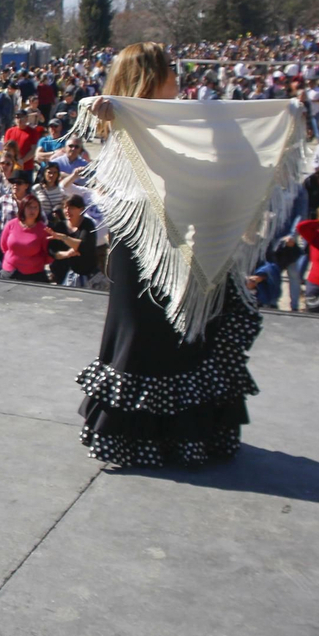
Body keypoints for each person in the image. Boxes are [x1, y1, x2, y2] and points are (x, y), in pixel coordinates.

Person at [76, 41, 269, 469]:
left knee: (187, 340)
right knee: (144, 339)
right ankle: (139, 439)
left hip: (184, 245)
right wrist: (112, 109)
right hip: (141, 248)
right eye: (168, 68)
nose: (177, 77)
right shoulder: (122, 118)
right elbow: (93, 108)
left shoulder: (187, 119)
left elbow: (228, 155)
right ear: (150, 76)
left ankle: (186, 437)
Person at [0, 193, 52, 283]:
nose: (33, 210)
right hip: (10, 272)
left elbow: (48, 254)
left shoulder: (43, 230)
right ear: (23, 209)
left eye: (35, 208)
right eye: (29, 207)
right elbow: (4, 246)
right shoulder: (11, 224)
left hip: (33, 275)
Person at [49, 194, 99, 286]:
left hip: (85, 276)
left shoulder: (88, 224)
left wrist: (64, 238)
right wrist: (67, 254)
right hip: (62, 276)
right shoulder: (60, 226)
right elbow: (53, 252)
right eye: (65, 207)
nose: (67, 211)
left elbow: (83, 246)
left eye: (71, 208)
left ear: (81, 209)